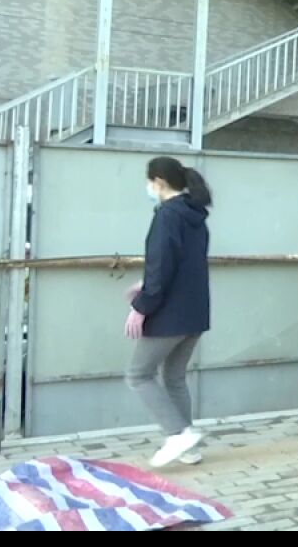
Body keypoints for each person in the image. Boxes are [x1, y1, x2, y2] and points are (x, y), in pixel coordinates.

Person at [125, 157, 213, 468]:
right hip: (194, 312)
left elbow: (162, 264)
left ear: (159, 181)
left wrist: (141, 307)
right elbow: (182, 264)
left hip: (170, 315)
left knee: (138, 374)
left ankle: (177, 434)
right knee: (174, 377)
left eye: (150, 181)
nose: (148, 187)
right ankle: (188, 447)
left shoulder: (167, 217)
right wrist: (147, 282)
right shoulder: (195, 215)